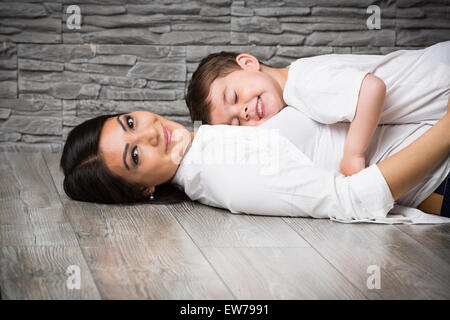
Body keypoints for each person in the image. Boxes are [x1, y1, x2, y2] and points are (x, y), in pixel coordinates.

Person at [60, 100, 450, 224]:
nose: (147, 133)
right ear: (143, 188)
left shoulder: (208, 139)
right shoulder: (226, 174)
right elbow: (353, 200)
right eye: (134, 155)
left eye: (129, 122)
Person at [185, 41, 450, 177]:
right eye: (235, 124)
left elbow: (371, 89)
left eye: (234, 96)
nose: (243, 113)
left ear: (248, 62)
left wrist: (353, 154)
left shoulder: (302, 84)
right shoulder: (298, 84)